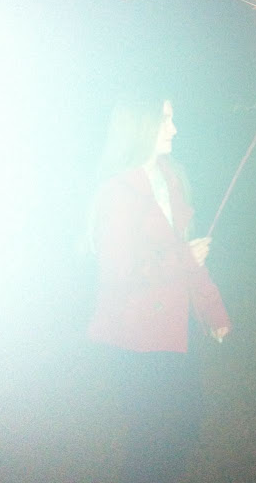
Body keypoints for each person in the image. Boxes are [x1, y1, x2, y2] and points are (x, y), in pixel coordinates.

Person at [87, 89, 230, 482]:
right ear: (140, 125)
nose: (175, 128)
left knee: (185, 422)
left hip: (177, 329)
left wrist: (212, 309)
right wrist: (182, 257)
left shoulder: (171, 178)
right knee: (152, 439)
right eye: (165, 119)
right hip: (138, 337)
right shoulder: (118, 192)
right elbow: (120, 271)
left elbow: (187, 256)